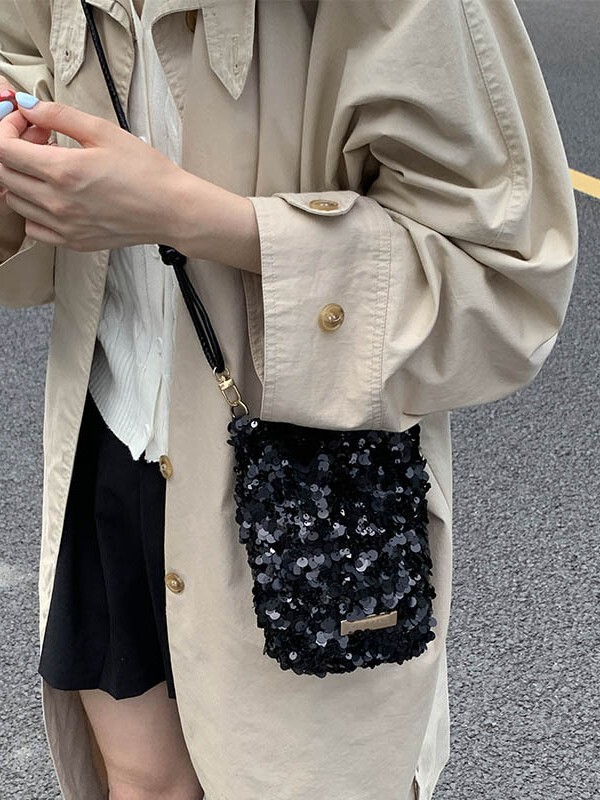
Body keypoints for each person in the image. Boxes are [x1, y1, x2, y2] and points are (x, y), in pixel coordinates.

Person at [0, 1, 578, 799]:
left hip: (308, 472)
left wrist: (189, 215)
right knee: (141, 783)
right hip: (110, 430)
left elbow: (503, 287)